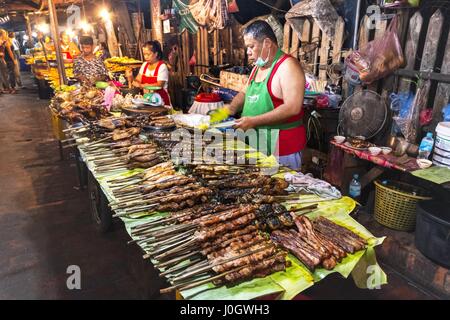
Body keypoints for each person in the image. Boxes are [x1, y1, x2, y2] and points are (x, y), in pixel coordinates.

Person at [223, 20, 307, 170]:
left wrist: (253, 121)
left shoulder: (288, 66)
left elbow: (292, 108)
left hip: (282, 149)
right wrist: (231, 108)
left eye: (251, 46)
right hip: (256, 144)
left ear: (267, 43)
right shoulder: (258, 67)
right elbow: (245, 92)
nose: (248, 52)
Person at [128, 41, 171, 106]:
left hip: (160, 101)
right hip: (147, 100)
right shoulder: (144, 65)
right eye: (144, 54)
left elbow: (159, 85)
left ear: (156, 54)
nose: (146, 57)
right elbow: (137, 81)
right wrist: (131, 77)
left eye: (148, 54)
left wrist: (142, 85)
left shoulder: (162, 67)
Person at [0, 29, 17, 93]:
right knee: (5, 74)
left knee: (3, 74)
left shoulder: (4, 41)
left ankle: (3, 88)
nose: (5, 35)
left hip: (2, 59)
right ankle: (9, 88)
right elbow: (9, 52)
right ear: (1, 34)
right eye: (4, 33)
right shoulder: (1, 41)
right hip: (1, 59)